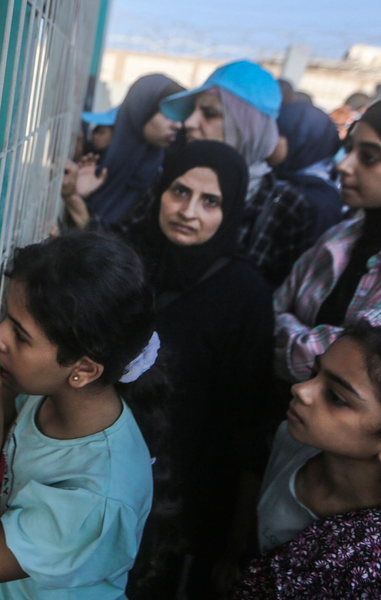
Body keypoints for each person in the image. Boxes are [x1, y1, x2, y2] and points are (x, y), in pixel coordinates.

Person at [0, 232, 166, 599]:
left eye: (20, 335)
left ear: (84, 369)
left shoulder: (97, 498)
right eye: (6, 318)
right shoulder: (52, 395)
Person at [116, 141, 274, 598]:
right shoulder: (126, 262)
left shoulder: (245, 294)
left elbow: (240, 423)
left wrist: (213, 533)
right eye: (180, 191)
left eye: (211, 201)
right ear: (161, 190)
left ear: (232, 209)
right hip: (97, 471)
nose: (188, 212)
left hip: (174, 502)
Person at [231, 321, 381, 598]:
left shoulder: (370, 556)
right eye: (314, 373)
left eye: (336, 397)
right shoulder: (290, 440)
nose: (301, 389)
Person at [160, 60, 314, 286]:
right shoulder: (169, 179)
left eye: (210, 113)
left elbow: (282, 294)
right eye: (182, 193)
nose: (190, 123)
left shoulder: (286, 207)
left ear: (247, 128)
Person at [274, 100, 381, 383]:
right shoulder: (340, 236)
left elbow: (338, 361)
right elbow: (274, 307)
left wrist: (289, 330)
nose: (343, 165)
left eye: (369, 157)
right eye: (349, 149)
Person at [77, 74, 184, 225]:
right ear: (142, 109)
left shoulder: (165, 176)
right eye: (168, 113)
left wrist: (74, 201)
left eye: (180, 116)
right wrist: (76, 195)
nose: (178, 125)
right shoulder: (93, 166)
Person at [275, 100, 343, 242]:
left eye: (277, 135)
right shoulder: (276, 179)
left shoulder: (318, 202)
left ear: (297, 142)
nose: (270, 142)